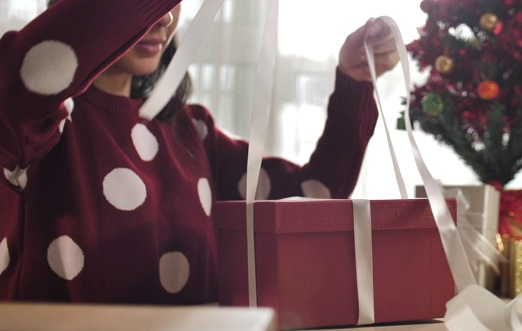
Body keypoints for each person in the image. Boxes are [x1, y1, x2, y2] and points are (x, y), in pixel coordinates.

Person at [0, 0, 399, 303]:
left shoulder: (193, 132)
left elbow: (317, 192)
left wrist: (355, 81)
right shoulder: (32, 121)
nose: (165, 19)